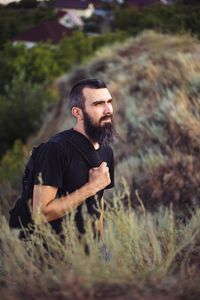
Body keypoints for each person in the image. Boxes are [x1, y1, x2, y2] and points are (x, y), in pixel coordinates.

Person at [32, 78, 115, 238]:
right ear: (78, 113)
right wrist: (91, 187)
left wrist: (102, 247)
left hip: (90, 254)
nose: (107, 110)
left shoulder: (106, 151)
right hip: (55, 254)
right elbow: (40, 214)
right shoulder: (56, 149)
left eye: (109, 102)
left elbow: (98, 204)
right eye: (98, 104)